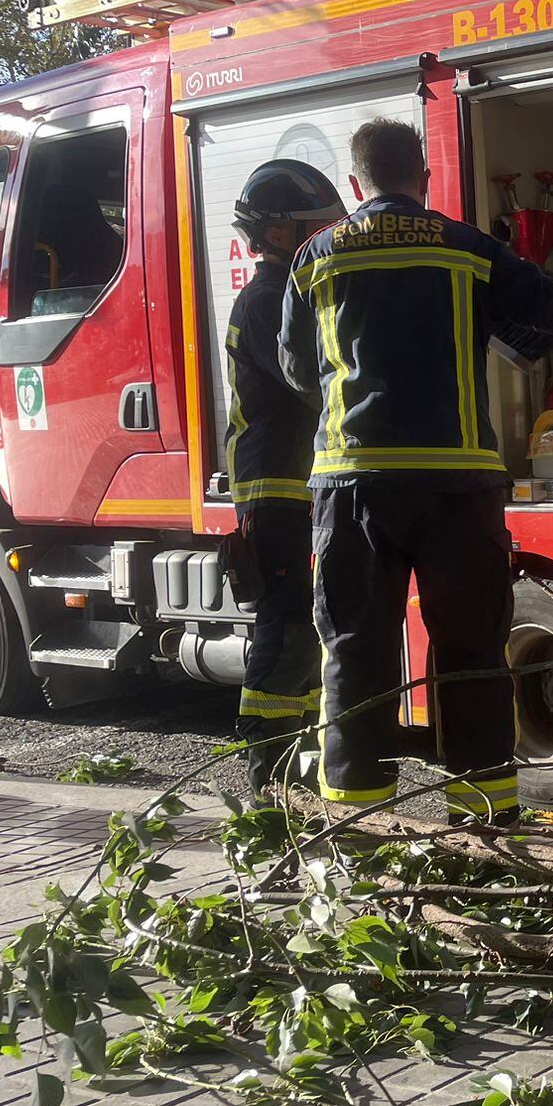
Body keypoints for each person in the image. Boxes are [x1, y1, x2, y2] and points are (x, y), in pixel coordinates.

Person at [279, 120, 553, 823]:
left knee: (356, 650)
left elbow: (297, 369)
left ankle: (355, 827)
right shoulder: (468, 248)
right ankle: (487, 820)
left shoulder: (315, 257)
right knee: (472, 650)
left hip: (352, 484)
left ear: (355, 185)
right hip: (458, 487)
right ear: (422, 177)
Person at [226, 159, 344, 797]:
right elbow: (310, 383)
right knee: (287, 628)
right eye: (317, 226)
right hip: (276, 488)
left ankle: (290, 772)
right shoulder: (270, 298)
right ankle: (265, 778)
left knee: (305, 625)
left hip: (295, 485)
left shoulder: (285, 290)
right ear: (277, 234)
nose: (329, 235)